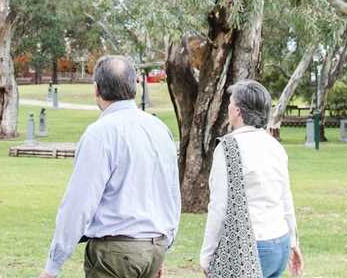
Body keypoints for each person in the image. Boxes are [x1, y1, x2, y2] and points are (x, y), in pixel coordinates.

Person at [40, 55, 180, 278]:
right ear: (135, 86)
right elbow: (171, 194)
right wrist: (163, 246)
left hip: (115, 254)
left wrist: (53, 266)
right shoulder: (160, 129)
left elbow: (79, 203)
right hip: (153, 247)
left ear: (96, 89)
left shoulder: (100, 133)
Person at [200, 80, 303, 278]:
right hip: (279, 243)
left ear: (237, 111)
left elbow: (219, 206)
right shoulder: (274, 146)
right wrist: (292, 241)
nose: (228, 107)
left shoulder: (228, 148)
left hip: (250, 248)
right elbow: (285, 197)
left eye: (230, 103)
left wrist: (207, 254)